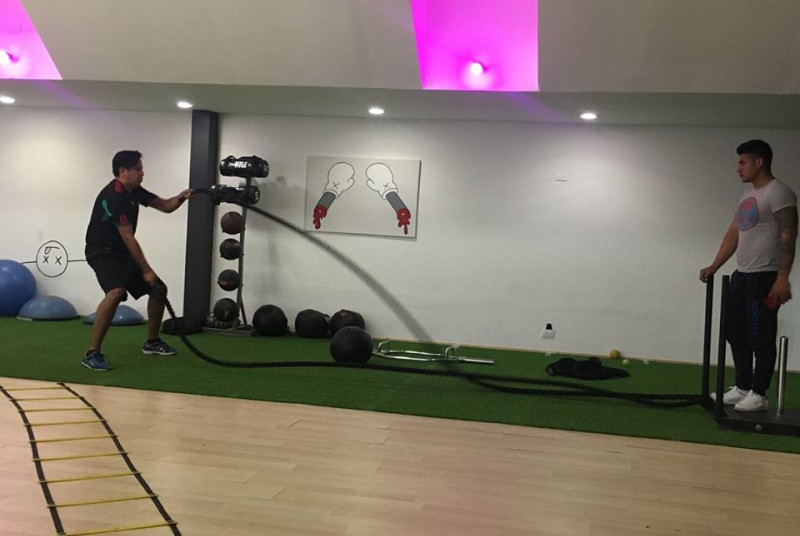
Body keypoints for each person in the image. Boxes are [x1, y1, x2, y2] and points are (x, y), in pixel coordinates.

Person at [700, 139, 797, 411]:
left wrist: (782, 277)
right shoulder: (747, 195)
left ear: (759, 162)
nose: (738, 168)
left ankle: (759, 393)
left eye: (742, 162)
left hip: (764, 276)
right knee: (733, 331)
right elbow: (734, 233)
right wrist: (715, 265)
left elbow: (789, 235)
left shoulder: (779, 192)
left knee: (760, 335)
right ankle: (743, 386)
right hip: (742, 275)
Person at [83, 150, 192, 371]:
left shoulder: (134, 191)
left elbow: (165, 206)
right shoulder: (114, 196)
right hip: (102, 252)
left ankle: (152, 342)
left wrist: (182, 197)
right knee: (116, 293)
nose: (143, 173)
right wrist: (146, 270)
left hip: (121, 252)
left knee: (158, 289)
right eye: (138, 169)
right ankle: (92, 354)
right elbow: (128, 237)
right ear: (123, 171)